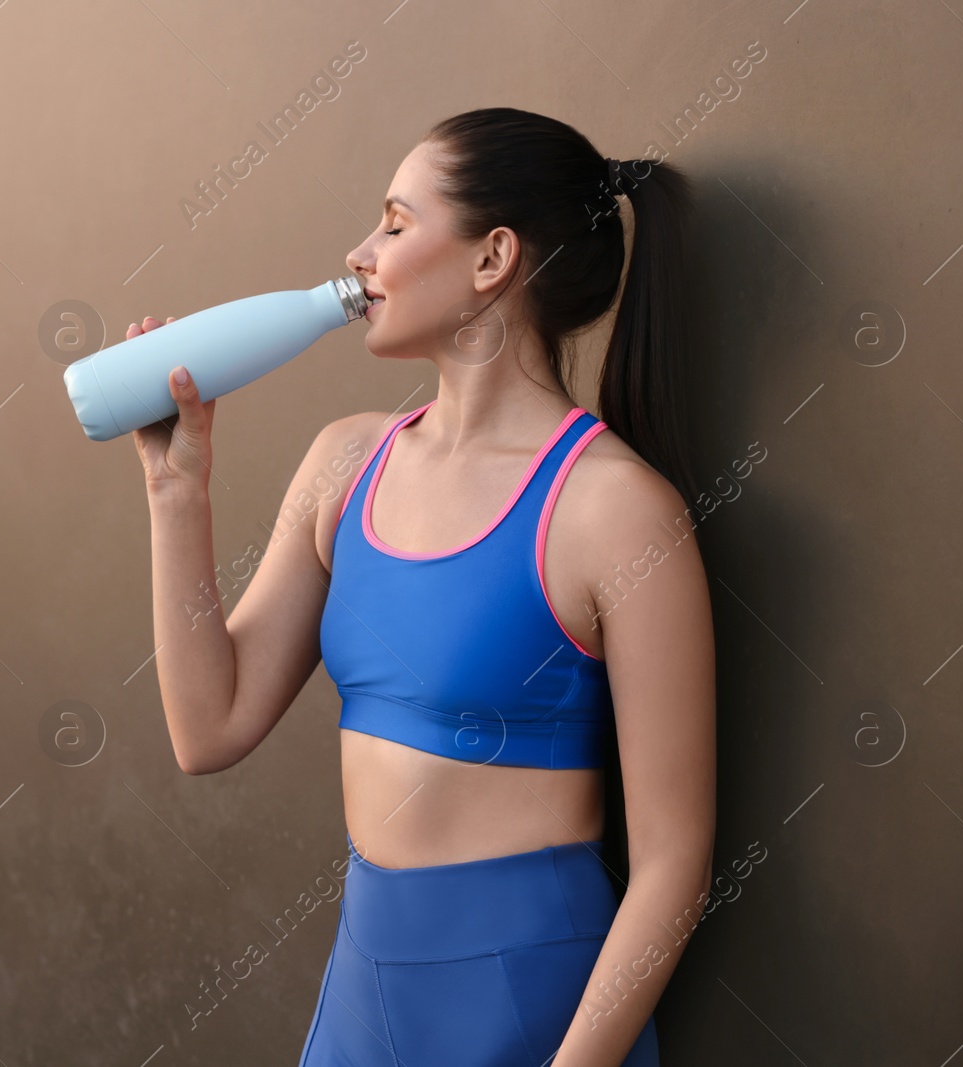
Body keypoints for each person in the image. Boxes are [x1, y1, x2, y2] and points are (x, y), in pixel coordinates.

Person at [131, 107, 716, 1066]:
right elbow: (210, 726)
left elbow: (674, 865)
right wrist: (176, 492)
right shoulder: (344, 463)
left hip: (536, 1013)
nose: (362, 253)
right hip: (363, 1001)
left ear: (492, 259)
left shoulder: (615, 510)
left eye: (396, 224)